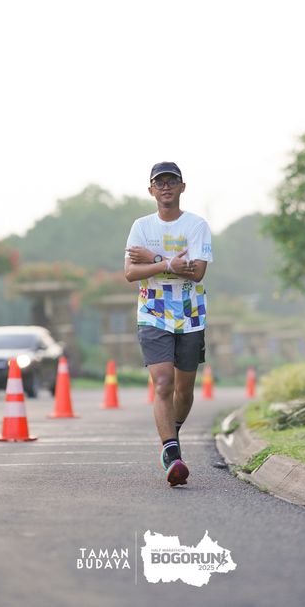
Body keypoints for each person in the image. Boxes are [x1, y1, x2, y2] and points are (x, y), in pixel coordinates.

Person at [124, 162, 213, 487]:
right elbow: (130, 272)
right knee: (163, 383)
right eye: (159, 183)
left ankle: (171, 432)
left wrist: (153, 259)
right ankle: (172, 453)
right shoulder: (141, 227)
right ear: (151, 190)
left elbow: (197, 272)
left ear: (181, 187)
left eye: (171, 182)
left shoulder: (196, 225)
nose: (165, 187)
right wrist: (170, 263)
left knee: (183, 391)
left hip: (190, 313)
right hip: (153, 311)